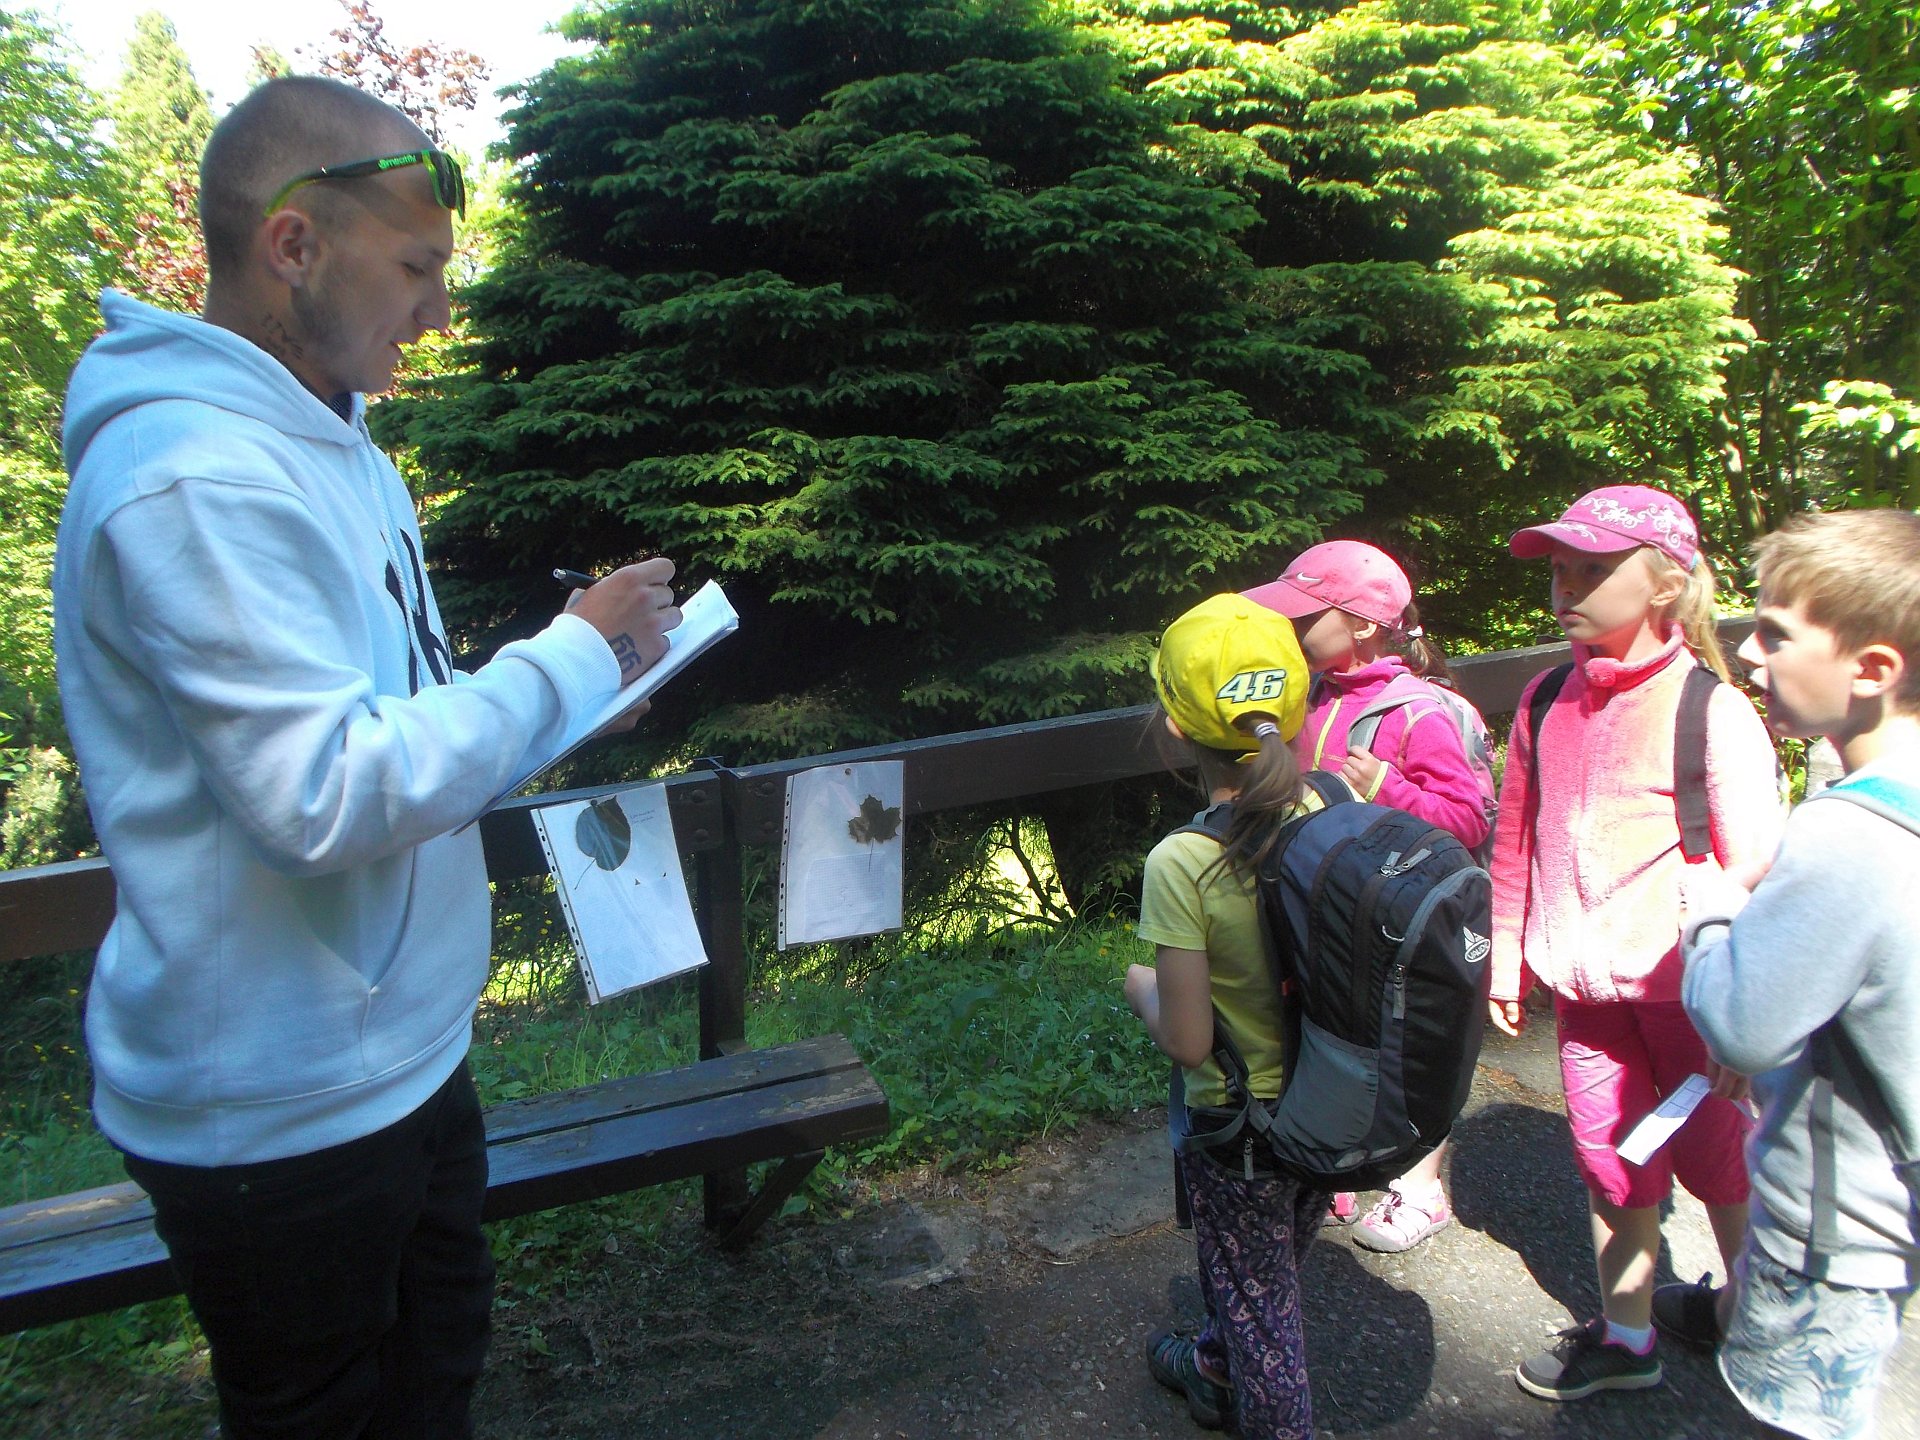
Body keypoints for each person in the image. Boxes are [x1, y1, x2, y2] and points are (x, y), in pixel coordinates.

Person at [52, 77, 681, 1438]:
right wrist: (568, 655)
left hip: (404, 1053)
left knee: (433, 1384)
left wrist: (570, 703)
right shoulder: (193, 475)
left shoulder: (342, 445)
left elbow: (399, 717)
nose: (439, 312)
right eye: (415, 269)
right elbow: (325, 794)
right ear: (294, 245)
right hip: (279, 1109)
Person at [1487, 485, 1785, 1402]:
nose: (1566, 587)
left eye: (1593, 568)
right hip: (1584, 991)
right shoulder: (1544, 699)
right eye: (1560, 569)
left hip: (1691, 993)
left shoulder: (1709, 709)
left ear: (1664, 585)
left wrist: (1746, 1015)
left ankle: (1752, 1314)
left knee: (1717, 1154)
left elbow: (1760, 864)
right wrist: (1506, 950)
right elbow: (1514, 836)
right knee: (1610, 1157)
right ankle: (1627, 1336)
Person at [1675, 508, 1920, 1440]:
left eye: (1776, 634)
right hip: (1894, 1197)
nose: (1750, 650)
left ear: (1873, 668)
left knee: (1795, 1419)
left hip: (1837, 1225)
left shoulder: (1846, 834)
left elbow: (1741, 1024)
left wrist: (1711, 909)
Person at [1247, 538, 1492, 1252]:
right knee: (1332, 1028)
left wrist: (1387, 787)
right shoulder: (1310, 699)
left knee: (1404, 1039)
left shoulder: (1419, 713)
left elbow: (1469, 820)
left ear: (1361, 624)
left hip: (1395, 922)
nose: (1290, 627)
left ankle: (1420, 1186)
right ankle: (1342, 1155)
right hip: (1328, 913)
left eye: (1305, 616)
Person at [1125, 592, 1326, 1439]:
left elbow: (1188, 1038)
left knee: (1266, 1317)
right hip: (1330, 1099)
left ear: (1175, 727)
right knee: (1263, 1275)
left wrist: (1137, 985)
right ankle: (1214, 1361)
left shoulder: (1184, 861)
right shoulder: (1325, 811)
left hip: (1242, 1124)